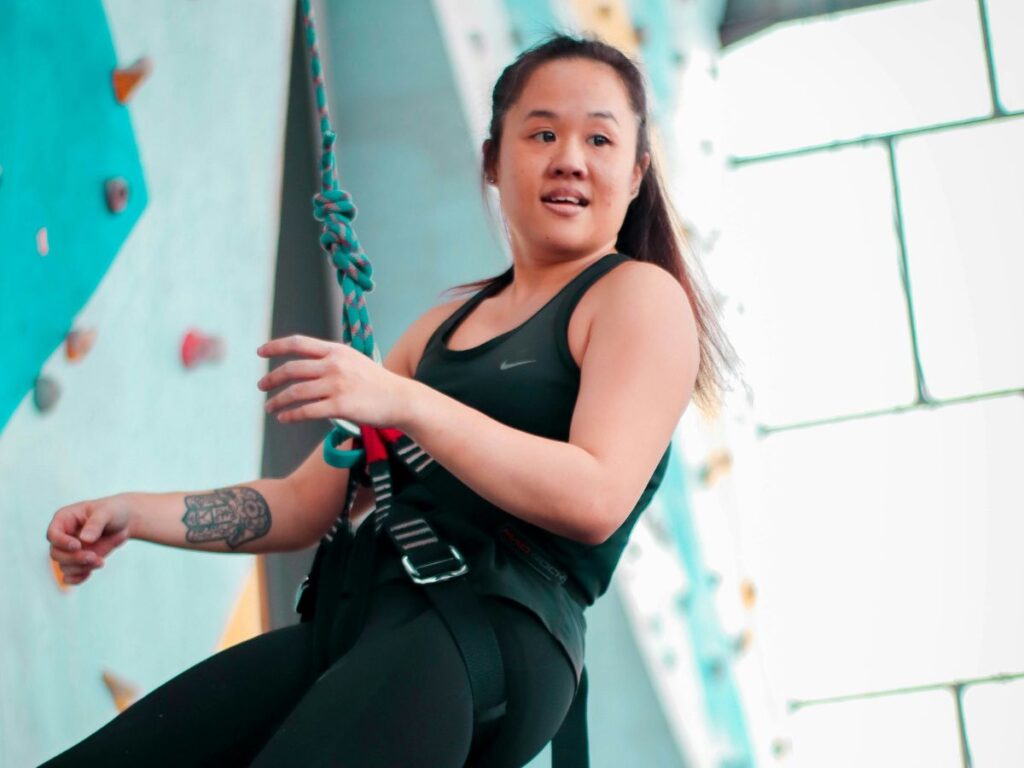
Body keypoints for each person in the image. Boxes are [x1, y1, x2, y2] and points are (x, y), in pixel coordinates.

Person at [42, 32, 736, 768]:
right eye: (542, 132)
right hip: (361, 620)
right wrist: (134, 513)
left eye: (599, 137)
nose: (569, 155)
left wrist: (403, 403)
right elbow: (305, 503)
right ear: (493, 161)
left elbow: (596, 494)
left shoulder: (637, 298)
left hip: (487, 631)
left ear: (635, 174)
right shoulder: (441, 330)